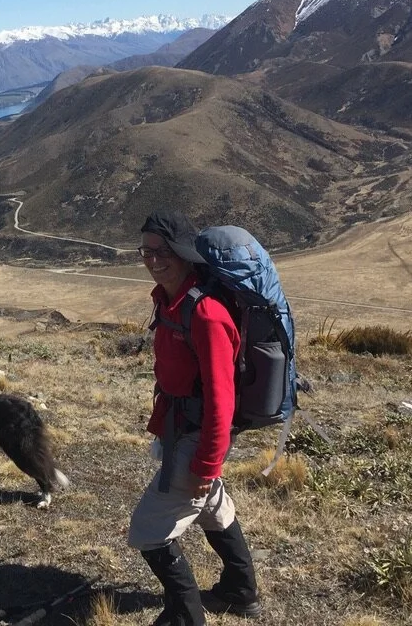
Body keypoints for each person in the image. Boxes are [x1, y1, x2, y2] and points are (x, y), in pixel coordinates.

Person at [128, 209, 262, 625]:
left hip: (198, 434)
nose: (153, 259)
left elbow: (222, 399)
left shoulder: (205, 314)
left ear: (184, 253)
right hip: (182, 426)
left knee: (149, 530)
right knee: (212, 506)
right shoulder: (170, 300)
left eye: (162, 250)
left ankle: (186, 618)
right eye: (146, 251)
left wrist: (207, 463)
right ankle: (240, 592)